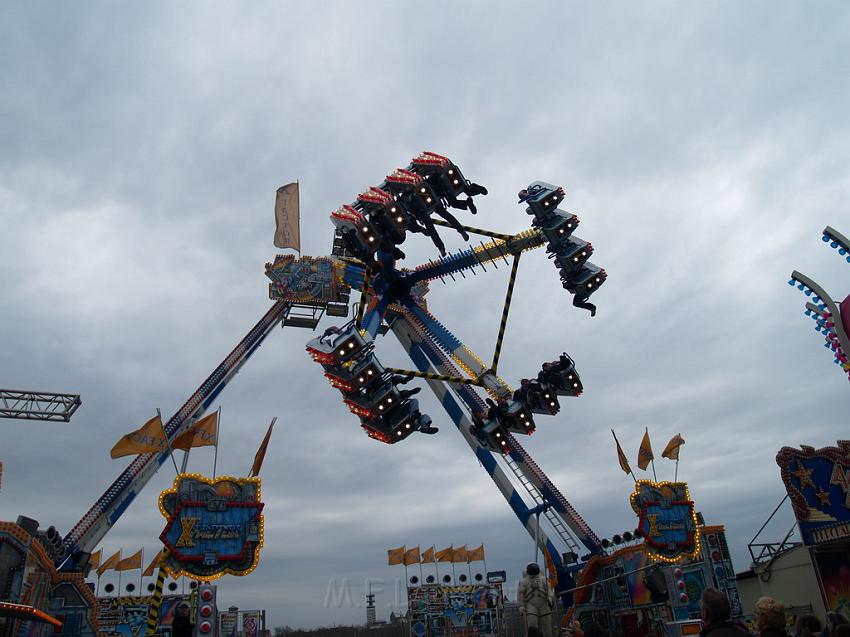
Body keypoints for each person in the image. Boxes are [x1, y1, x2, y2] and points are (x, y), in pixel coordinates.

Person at [518, 563, 554, 637]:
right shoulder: (524, 582)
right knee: (532, 625)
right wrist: (521, 606)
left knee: (547, 626)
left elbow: (549, 590)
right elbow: (520, 594)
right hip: (531, 605)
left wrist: (550, 598)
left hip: (544, 603)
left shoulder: (543, 579)